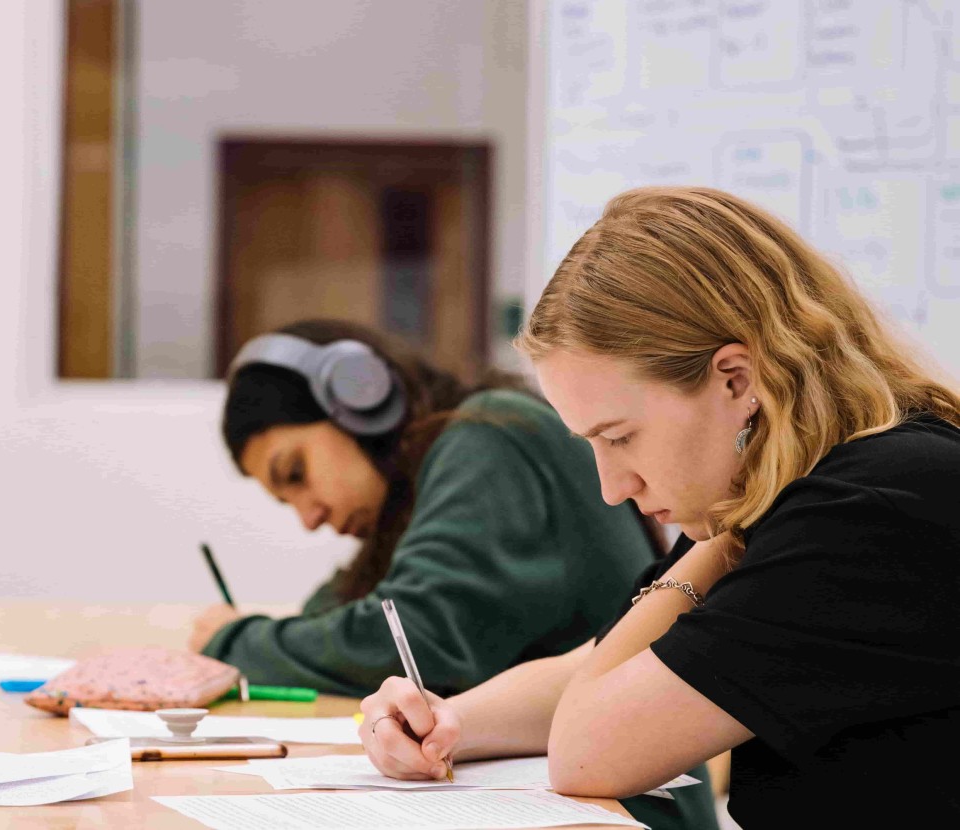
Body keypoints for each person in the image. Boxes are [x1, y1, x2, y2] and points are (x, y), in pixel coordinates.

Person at [358, 186, 960, 828]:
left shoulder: (872, 506)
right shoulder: (792, 484)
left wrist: (714, 544)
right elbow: (605, 669)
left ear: (738, 379)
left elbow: (590, 752)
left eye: (620, 438)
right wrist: (448, 722)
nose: (613, 488)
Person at [191, 318, 719, 830]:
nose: (310, 517)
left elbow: (412, 637)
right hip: (549, 793)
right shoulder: (422, 483)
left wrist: (230, 640)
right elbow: (332, 618)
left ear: (361, 398)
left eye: (297, 474)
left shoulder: (491, 438)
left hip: (623, 812)